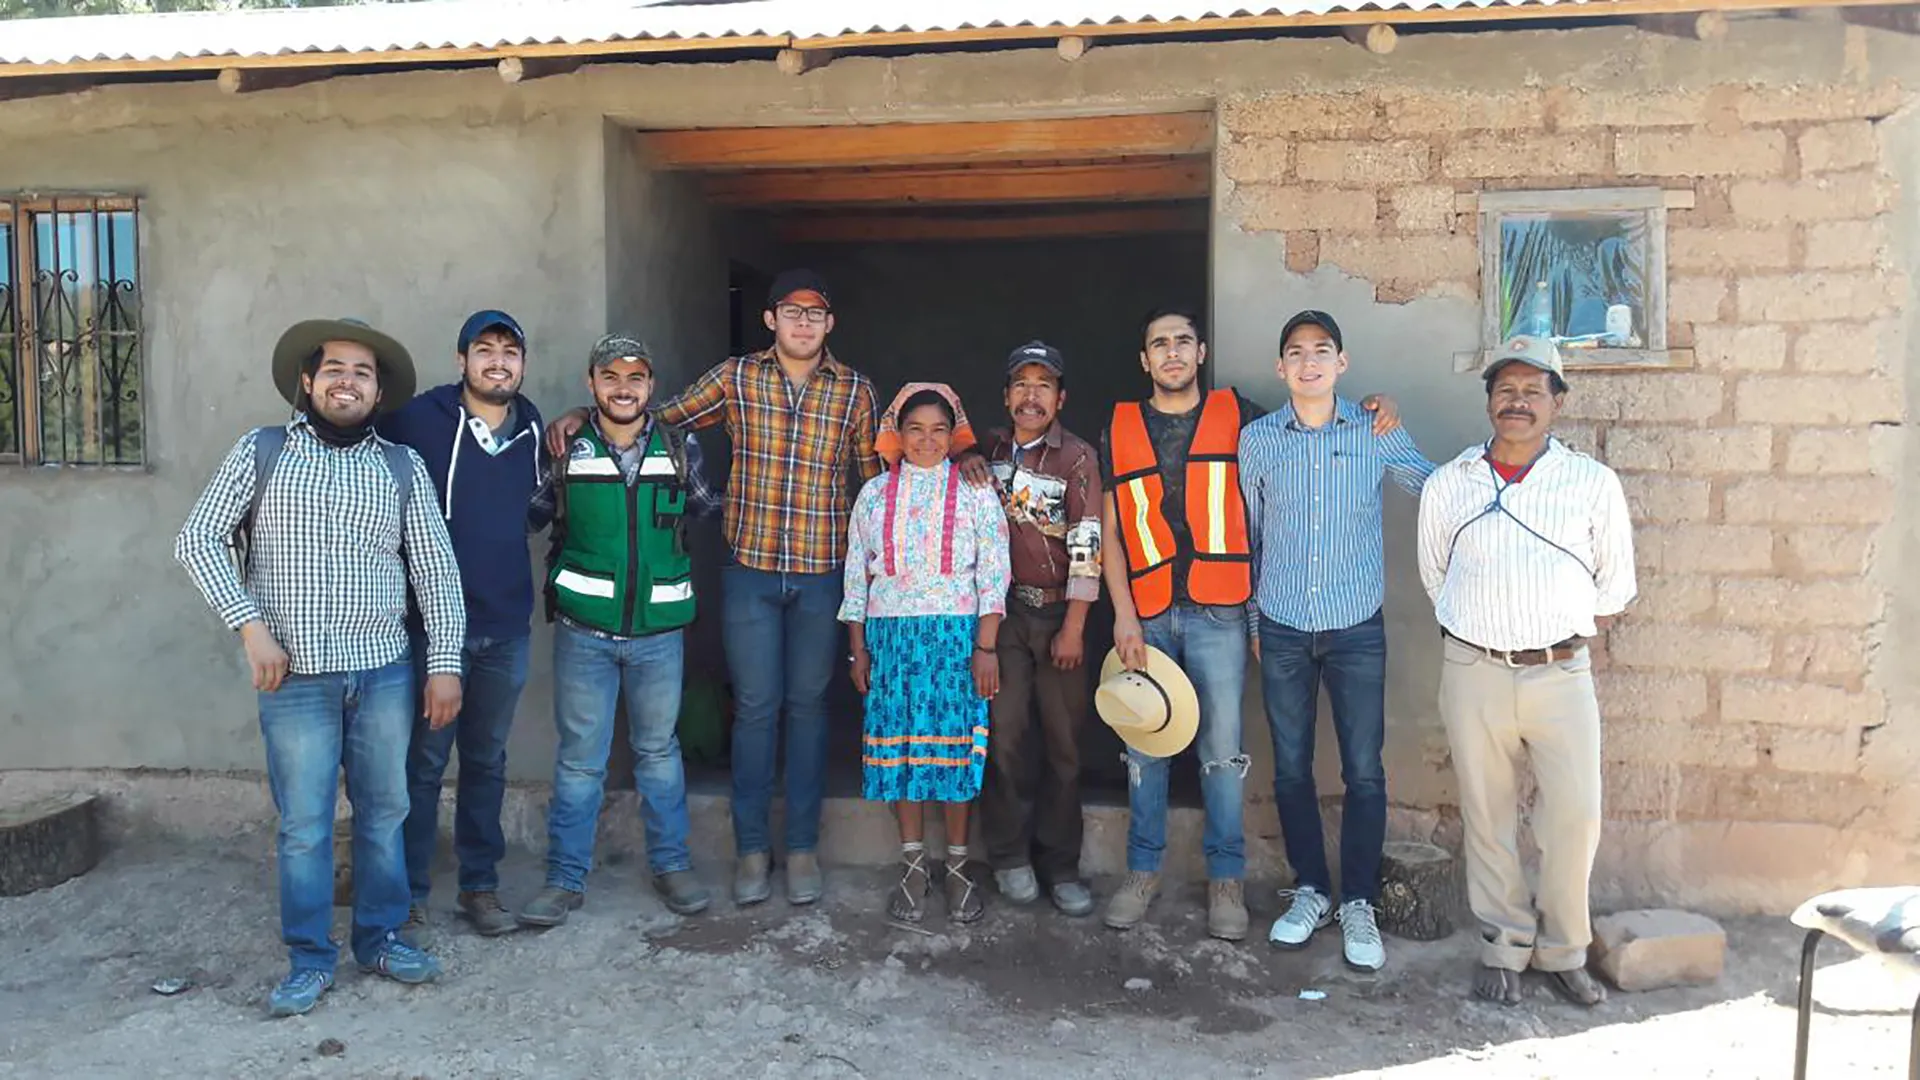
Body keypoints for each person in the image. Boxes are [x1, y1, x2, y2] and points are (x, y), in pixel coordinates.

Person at [548, 270, 881, 907]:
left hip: (821, 573)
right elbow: (652, 419)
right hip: (750, 570)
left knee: (809, 710)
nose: (803, 323)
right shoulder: (735, 378)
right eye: (791, 311)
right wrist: (581, 416)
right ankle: (753, 850)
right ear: (770, 319)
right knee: (755, 709)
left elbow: (871, 488)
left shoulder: (857, 392)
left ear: (830, 324)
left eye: (816, 313)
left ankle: (804, 848)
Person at [175, 317, 464, 1017]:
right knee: (304, 824)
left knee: (385, 811)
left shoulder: (400, 467)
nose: (347, 381)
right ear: (308, 382)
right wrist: (251, 630)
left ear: (377, 391)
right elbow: (199, 539)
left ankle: (382, 938)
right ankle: (309, 958)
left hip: (385, 672)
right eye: (334, 369)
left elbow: (434, 570)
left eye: (362, 373)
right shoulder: (263, 452)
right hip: (294, 676)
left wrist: (445, 663)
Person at [1099, 307, 1400, 941]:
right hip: (1148, 615)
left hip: (1221, 612)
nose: (1172, 352)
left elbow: (1312, 410)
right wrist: (1122, 614)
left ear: (1201, 352)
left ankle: (1226, 880)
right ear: (1144, 360)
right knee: (1143, 747)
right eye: (1159, 344)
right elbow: (1112, 533)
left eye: (1183, 341)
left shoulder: (1245, 417)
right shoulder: (1119, 427)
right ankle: (1141, 871)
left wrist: (1374, 407)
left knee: (1221, 754)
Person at [1416, 335, 1634, 1007]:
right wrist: (1490, 626)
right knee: (1487, 815)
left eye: (1532, 391)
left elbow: (1614, 588)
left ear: (1557, 403)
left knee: (1575, 818)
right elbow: (1435, 576)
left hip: (1561, 673)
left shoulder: (1591, 484)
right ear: (1488, 401)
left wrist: (1547, 626)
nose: (1517, 403)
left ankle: (1565, 948)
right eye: (1505, 391)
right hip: (1474, 668)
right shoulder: (1451, 481)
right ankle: (1503, 946)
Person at [1238, 310, 1434, 971]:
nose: (1310, 362)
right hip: (1285, 624)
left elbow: (1434, 487)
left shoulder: (1374, 430)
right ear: (1281, 369)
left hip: (1356, 627)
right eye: (1296, 352)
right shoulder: (1260, 441)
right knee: (1291, 767)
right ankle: (1312, 889)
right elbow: (1251, 536)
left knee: (1364, 770)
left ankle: (1357, 902)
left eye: (1323, 351)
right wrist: (1256, 622)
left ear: (1342, 364)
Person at [518, 335, 724, 928]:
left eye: (636, 376)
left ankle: (672, 865)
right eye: (611, 376)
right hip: (585, 631)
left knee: (659, 753)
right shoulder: (565, 447)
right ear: (592, 384)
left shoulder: (681, 447)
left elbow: (709, 507)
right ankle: (564, 880)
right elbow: (527, 515)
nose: (624, 387)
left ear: (651, 386)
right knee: (581, 761)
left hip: (659, 634)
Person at [376, 309, 548, 943]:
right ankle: (408, 896)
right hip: (430, 630)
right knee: (421, 765)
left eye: (509, 351)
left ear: (522, 365)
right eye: (485, 349)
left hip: (506, 625)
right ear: (462, 360)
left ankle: (480, 886)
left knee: (487, 761)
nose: (497, 361)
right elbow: (352, 443)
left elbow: (534, 509)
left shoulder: (531, 426)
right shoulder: (419, 419)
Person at [841, 383, 1010, 924]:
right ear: (897, 432)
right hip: (891, 642)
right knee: (903, 755)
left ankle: (957, 868)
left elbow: (994, 573)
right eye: (915, 429)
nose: (927, 440)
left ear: (954, 434)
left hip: (957, 641)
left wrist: (986, 646)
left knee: (954, 754)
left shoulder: (975, 490)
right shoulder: (873, 495)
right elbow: (855, 579)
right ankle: (913, 864)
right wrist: (857, 650)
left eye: (939, 429)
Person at [977, 341, 1102, 917]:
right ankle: (1007, 856)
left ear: (1061, 398)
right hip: (1003, 616)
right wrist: (960, 447)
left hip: (1058, 617)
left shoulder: (1076, 457)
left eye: (1043, 385)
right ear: (1006, 397)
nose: (1031, 396)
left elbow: (1087, 547)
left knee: (1064, 744)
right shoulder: (985, 454)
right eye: (1021, 385)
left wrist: (1075, 626)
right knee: (1003, 737)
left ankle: (1060, 863)